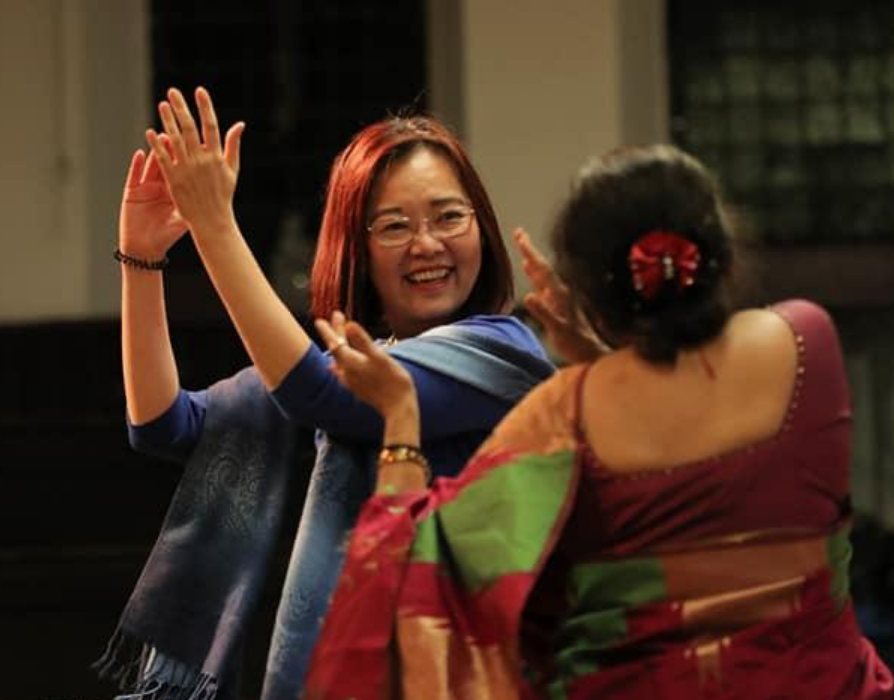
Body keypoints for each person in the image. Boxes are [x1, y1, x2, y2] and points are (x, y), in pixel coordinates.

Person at [303, 144, 894, 699]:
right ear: (721, 251)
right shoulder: (804, 342)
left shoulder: (565, 412)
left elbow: (412, 582)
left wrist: (402, 419)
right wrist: (599, 354)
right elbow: (686, 415)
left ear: (587, 289)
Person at [94, 87, 553, 700]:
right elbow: (163, 425)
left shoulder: (502, 349)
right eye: (394, 226)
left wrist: (214, 229)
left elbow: (327, 399)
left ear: (482, 227)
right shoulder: (358, 359)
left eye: (449, 217)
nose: (427, 244)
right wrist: (142, 261)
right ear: (357, 251)